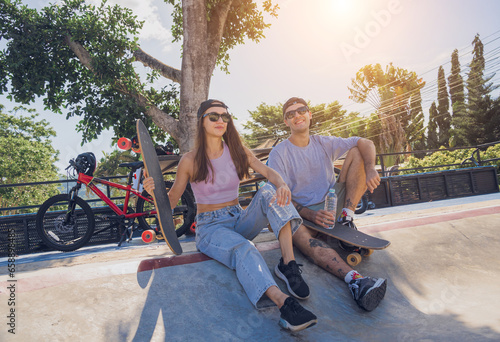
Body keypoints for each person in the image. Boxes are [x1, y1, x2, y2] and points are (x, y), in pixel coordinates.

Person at [143, 99, 317, 332]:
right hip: (210, 228)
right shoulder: (189, 160)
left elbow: (266, 171)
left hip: (238, 218)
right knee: (245, 248)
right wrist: (154, 192)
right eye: (213, 116)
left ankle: (288, 264)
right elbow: (171, 201)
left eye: (225, 116)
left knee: (268, 191)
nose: (220, 121)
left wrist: (282, 184)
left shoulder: (236, 151)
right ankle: (284, 304)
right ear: (201, 122)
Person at [267, 97, 387, 312]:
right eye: (290, 114)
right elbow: (278, 194)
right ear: (286, 122)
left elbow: (366, 142)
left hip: (332, 203)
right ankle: (356, 281)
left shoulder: (323, 142)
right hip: (301, 213)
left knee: (357, 150)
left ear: (309, 114)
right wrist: (310, 215)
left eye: (301, 110)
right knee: (302, 237)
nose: (297, 116)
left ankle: (346, 218)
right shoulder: (279, 153)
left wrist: (371, 169)